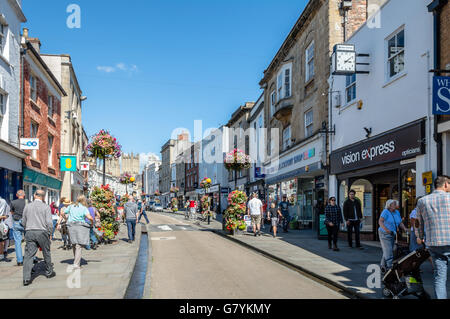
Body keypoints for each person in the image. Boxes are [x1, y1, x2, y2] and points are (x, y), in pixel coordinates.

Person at [416, 175, 450, 299]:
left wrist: (420, 236)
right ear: (445, 184)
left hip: (434, 242)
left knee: (440, 277)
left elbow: (418, 223)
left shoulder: (422, 201)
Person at [22, 190, 55, 286]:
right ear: (43, 197)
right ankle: (49, 272)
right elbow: (49, 222)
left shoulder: (28, 206)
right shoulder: (46, 207)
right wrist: (49, 233)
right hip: (42, 232)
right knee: (46, 252)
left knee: (29, 255)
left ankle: (26, 278)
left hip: (30, 231)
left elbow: (23, 220)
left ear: (34, 195)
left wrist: (27, 229)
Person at [63, 195, 94, 269]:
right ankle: (76, 264)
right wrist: (92, 222)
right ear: (84, 201)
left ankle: (76, 261)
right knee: (79, 245)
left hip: (71, 226)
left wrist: (66, 219)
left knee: (74, 244)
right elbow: (89, 217)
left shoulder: (71, 206)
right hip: (80, 226)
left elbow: (62, 212)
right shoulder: (84, 208)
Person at [378, 199, 407, 272]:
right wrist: (386, 229)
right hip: (384, 233)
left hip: (392, 233)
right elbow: (380, 221)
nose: (395, 205)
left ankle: (382, 265)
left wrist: (405, 228)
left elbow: (400, 222)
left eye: (395, 204)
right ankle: (389, 267)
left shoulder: (397, 212)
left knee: (388, 250)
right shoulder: (385, 212)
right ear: (389, 205)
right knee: (389, 250)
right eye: (394, 204)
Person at [10, 190, 26, 266]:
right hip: (26, 223)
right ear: (24, 195)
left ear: (16, 195)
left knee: (17, 242)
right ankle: (31, 258)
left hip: (16, 222)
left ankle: (19, 261)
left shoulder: (13, 202)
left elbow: (12, 212)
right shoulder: (27, 203)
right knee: (30, 242)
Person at [0, 196, 11, 262]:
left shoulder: (3, 201)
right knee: (1, 241)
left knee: (1, 241)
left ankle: (2, 254)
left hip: (2, 223)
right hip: (2, 222)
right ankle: (2, 254)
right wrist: (4, 216)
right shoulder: (3, 201)